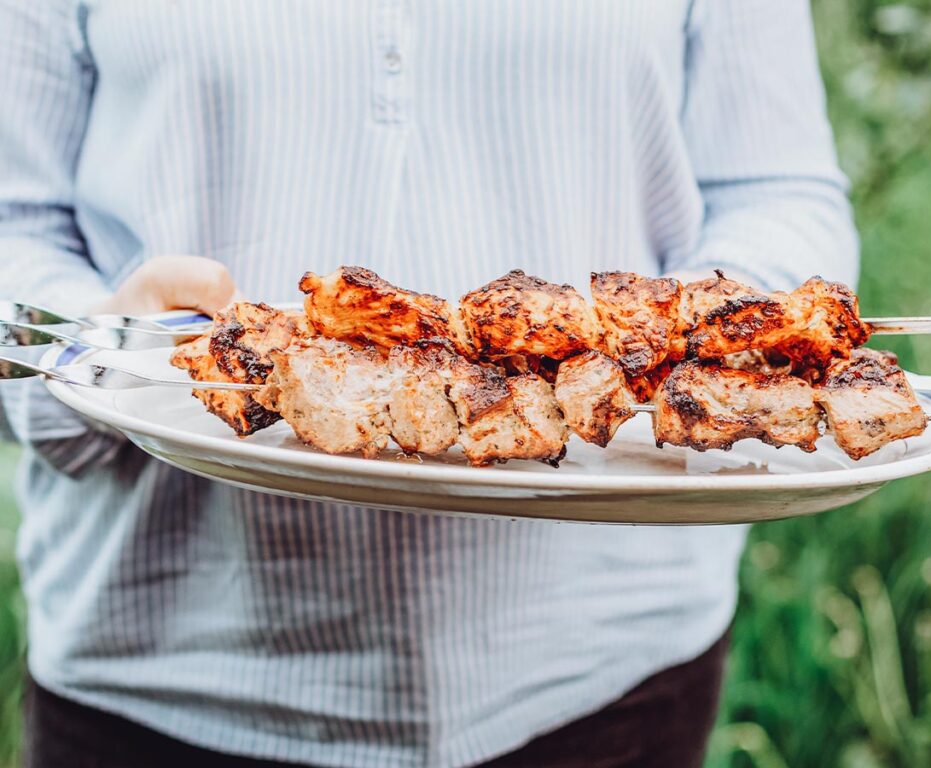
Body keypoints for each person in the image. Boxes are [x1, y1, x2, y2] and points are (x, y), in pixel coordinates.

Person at [0, 2, 858, 767]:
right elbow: (15, 223)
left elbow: (778, 193)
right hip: (170, 670)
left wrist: (692, 346)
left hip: (605, 668)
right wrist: (98, 346)